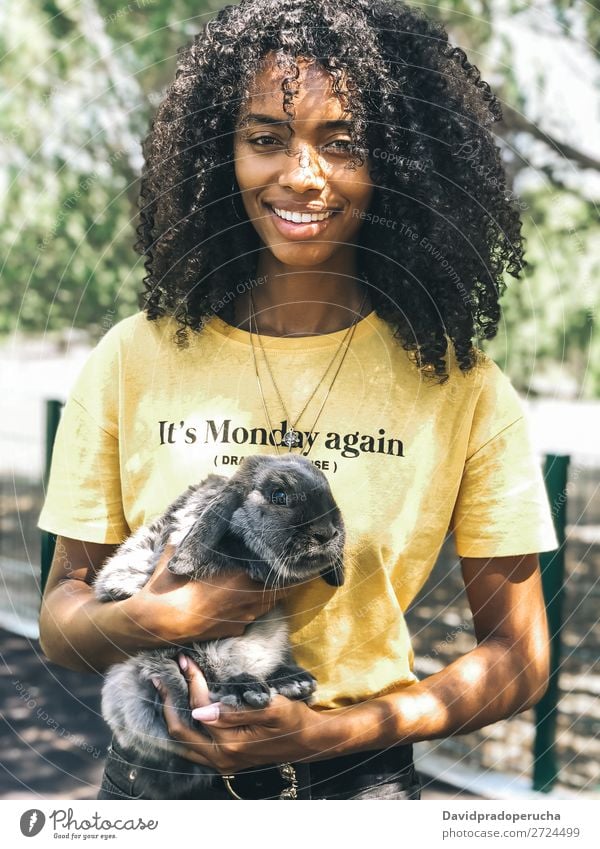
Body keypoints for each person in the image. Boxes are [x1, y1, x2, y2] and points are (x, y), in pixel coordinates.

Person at [38, 0, 559, 801]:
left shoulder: (462, 386)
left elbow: (521, 659)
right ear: (224, 153)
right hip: (155, 788)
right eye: (266, 138)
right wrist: (151, 620)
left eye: (343, 143)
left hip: (359, 789)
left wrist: (339, 729)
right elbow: (61, 620)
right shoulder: (131, 358)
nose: (301, 174)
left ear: (399, 164)